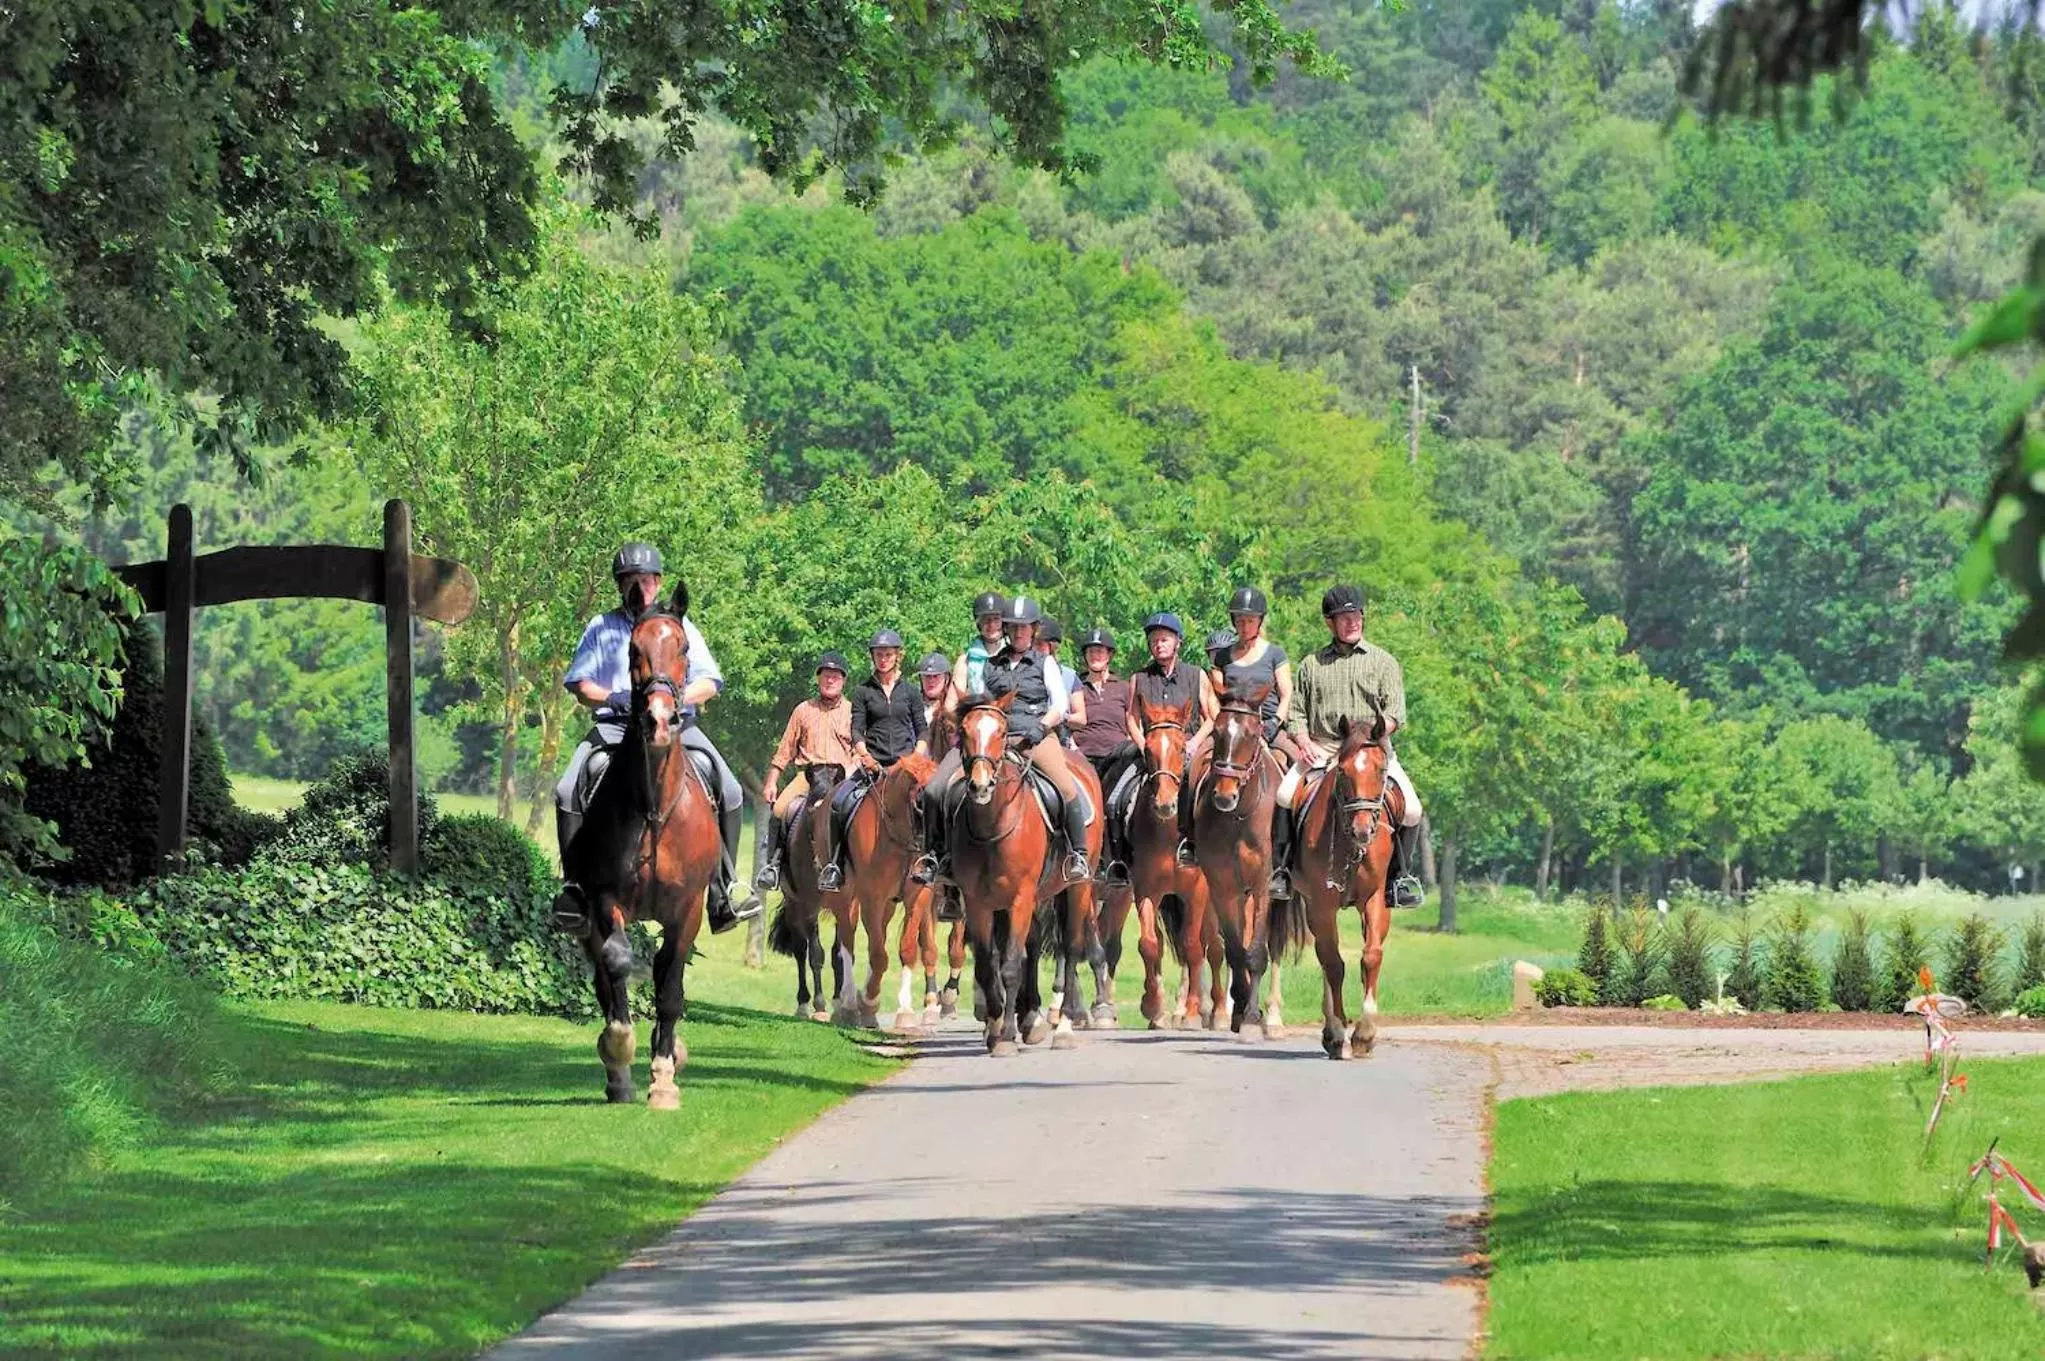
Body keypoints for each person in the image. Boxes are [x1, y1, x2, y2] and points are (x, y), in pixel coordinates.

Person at [553, 543, 760, 933]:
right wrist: (613, 697)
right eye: (631, 580)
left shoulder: (680, 627)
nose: (640, 586)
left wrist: (676, 701)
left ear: (658, 582)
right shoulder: (602, 627)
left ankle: (723, 889)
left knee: (730, 790)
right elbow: (580, 685)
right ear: (622, 587)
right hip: (616, 728)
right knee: (567, 789)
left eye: (646, 579)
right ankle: (575, 890)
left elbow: (709, 682)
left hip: (678, 728)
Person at [1279, 584, 1425, 908]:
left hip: (1372, 750)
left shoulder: (1384, 662)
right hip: (1325, 749)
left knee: (1413, 810)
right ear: (1329, 623)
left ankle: (1399, 878)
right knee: (1284, 795)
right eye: (1343, 617)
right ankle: (1283, 870)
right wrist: (1302, 741)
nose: (1352, 622)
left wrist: (1374, 732)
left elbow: (1396, 712)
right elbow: (1297, 713)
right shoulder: (1311, 665)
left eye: (1356, 615)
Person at [980, 596, 1091, 882]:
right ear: (1006, 628)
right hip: (997, 740)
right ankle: (942, 857)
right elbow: (983, 705)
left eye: (1024, 627)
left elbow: (1059, 705)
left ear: (1034, 630)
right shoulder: (991, 665)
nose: (1019, 632)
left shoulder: (1045, 663)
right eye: (1013, 627)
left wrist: (1040, 728)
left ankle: (1078, 853)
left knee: (1067, 787)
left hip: (1037, 737)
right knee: (949, 786)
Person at [819, 629, 928, 891]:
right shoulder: (863, 691)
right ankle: (835, 865)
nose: (883, 659)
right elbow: (857, 728)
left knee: (933, 800)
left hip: (906, 765)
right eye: (879, 655)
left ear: (897, 656)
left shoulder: (911, 692)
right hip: (873, 763)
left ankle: (931, 861)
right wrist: (864, 755)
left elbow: (922, 728)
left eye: (888, 654)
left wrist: (917, 756)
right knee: (839, 802)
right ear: (873, 657)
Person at [755, 653, 859, 893]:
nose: (829, 681)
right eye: (825, 676)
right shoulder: (803, 710)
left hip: (841, 777)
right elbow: (785, 750)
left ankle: (844, 865)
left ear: (843, 681)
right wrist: (772, 781)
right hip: (808, 775)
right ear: (818, 679)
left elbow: (859, 748)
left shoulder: (853, 712)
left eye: (835, 676)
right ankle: (772, 866)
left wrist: (853, 768)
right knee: (781, 809)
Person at [1126, 611, 1218, 866]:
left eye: (1165, 639)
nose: (1159, 644)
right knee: (1117, 792)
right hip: (1152, 750)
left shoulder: (1196, 674)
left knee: (1203, 785)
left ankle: (1196, 843)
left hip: (1188, 747)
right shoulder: (1139, 678)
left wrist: (1194, 743)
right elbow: (1132, 718)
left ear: (1178, 642)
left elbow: (1212, 716)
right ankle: (1117, 857)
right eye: (1154, 640)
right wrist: (1142, 744)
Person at [1072, 626, 1137, 885]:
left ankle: (1119, 859)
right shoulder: (1077, 686)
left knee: (1118, 803)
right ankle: (1080, 857)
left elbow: (1134, 719)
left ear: (1109, 655)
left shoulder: (1123, 687)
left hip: (1117, 757)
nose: (1095, 655)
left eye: (1100, 651)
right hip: (1082, 757)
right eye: (1091, 651)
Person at [1209, 586, 1293, 745]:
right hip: (1231, 725)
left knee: (1298, 760)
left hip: (1267, 725)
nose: (1245, 627)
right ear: (1233, 621)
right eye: (1240, 621)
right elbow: (1214, 697)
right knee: (1196, 761)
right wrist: (1221, 723)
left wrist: (1274, 723)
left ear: (1260, 621)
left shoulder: (1276, 654)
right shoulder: (1222, 657)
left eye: (1250, 621)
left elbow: (1286, 695)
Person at [1037, 617, 1087, 733]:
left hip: (1058, 734)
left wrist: (1059, 715)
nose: (1035, 649)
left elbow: (1081, 718)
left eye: (1040, 645)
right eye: (1032, 644)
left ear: (1052, 647)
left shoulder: (1069, 677)